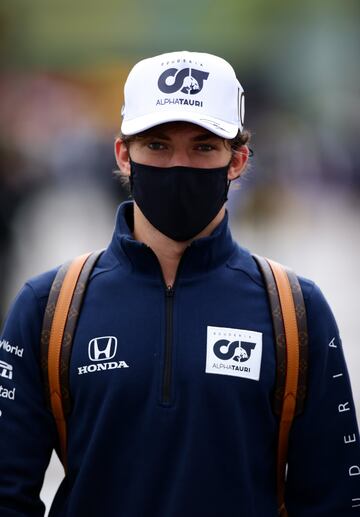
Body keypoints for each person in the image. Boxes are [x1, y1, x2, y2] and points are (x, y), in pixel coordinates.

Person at [0, 50, 359, 517]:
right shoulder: (49, 306)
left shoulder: (295, 310)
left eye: (204, 147)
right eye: (158, 145)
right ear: (123, 155)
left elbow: (334, 501)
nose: (179, 165)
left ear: (238, 159)